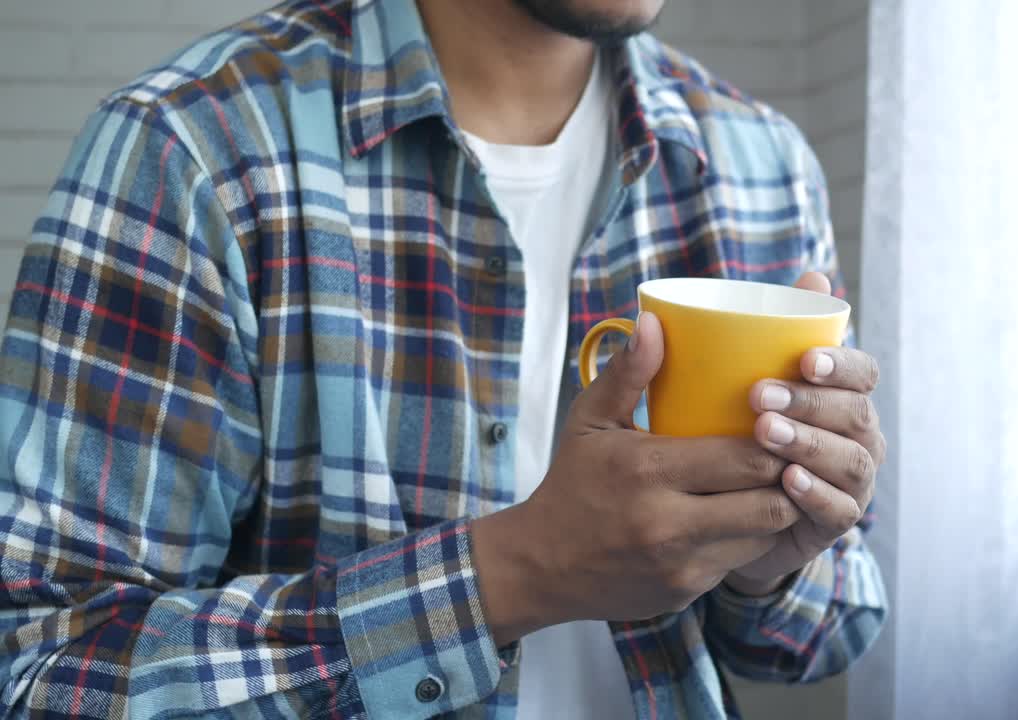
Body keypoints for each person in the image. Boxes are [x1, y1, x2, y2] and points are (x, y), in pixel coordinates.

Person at [0, 0, 887, 717]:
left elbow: (824, 633)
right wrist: (510, 575)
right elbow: (40, 672)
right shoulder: (190, 150)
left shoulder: (764, 166)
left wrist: (767, 563)